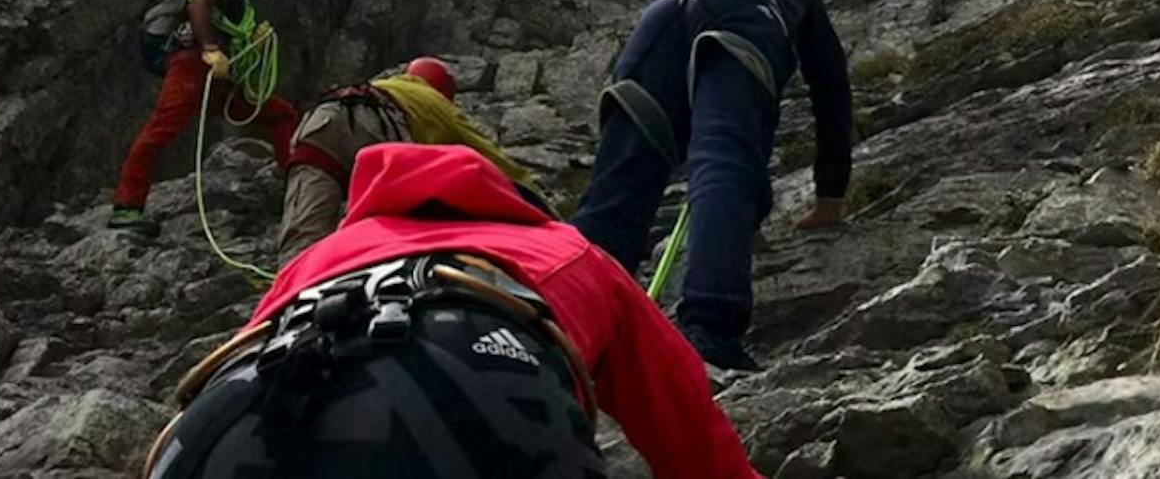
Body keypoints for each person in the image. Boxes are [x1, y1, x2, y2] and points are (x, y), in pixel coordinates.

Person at [142, 143, 764, 478]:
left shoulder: (320, 257)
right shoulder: (565, 247)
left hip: (232, 413)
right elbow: (686, 428)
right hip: (475, 372)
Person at [571, 0, 851, 372]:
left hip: (659, 18)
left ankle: (567, 325)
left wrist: (744, 223)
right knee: (724, 156)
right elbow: (831, 92)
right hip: (742, 14)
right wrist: (830, 195)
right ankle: (709, 329)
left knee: (618, 179)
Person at [110, 0, 300, 233]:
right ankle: (127, 207)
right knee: (161, 129)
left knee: (280, 113)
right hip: (191, 63)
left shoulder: (242, 1)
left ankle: (297, 188)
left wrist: (253, 41)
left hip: (216, 75)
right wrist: (210, 48)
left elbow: (231, 36)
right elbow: (199, 4)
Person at [278, 56, 541, 259]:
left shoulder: (385, 85)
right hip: (376, 128)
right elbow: (486, 156)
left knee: (305, 230)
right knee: (387, 227)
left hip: (320, 124)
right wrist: (536, 199)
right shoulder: (437, 103)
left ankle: (290, 295)